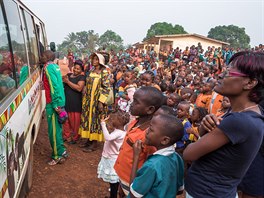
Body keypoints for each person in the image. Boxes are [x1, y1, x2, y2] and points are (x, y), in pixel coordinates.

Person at [183, 51, 264, 198]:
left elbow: (189, 154)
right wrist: (204, 128)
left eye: (228, 72)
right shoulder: (244, 113)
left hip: (204, 193)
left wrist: (201, 136)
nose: (220, 75)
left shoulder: (240, 121)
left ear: (250, 83)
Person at [114, 87, 165, 196]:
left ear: (150, 109)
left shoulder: (149, 136)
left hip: (132, 179)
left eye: (136, 102)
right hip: (122, 172)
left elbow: (149, 163)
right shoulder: (135, 121)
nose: (131, 104)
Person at [128, 114, 184, 198]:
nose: (146, 131)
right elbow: (179, 191)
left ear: (165, 140)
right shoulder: (178, 158)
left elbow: (133, 194)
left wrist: (136, 156)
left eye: (150, 129)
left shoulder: (152, 166)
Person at [79, 53, 111, 152]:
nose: (94, 61)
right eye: (93, 59)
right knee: (88, 119)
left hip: (97, 101)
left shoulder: (104, 72)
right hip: (89, 101)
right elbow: (88, 82)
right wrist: (85, 88)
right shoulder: (92, 70)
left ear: (100, 61)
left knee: (96, 120)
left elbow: (106, 88)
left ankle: (94, 143)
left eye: (96, 59)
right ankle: (89, 139)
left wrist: (101, 102)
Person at [41, 50, 67, 165]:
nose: (40, 58)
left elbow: (53, 86)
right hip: (60, 100)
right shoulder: (55, 66)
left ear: (46, 57)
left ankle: (57, 156)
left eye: (42, 56)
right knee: (58, 128)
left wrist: (55, 104)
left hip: (53, 103)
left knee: (54, 131)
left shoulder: (47, 68)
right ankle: (62, 150)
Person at [97, 110, 130, 198]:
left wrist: (103, 124)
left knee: (113, 181)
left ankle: (113, 195)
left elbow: (107, 137)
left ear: (119, 122)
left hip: (112, 159)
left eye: (113, 119)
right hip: (112, 157)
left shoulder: (118, 133)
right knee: (113, 181)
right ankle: (113, 193)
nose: (111, 120)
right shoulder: (120, 131)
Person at [62, 60, 85, 144]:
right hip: (66, 101)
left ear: (81, 70)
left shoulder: (82, 78)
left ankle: (75, 138)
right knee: (66, 120)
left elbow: (79, 88)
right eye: (75, 68)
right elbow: (62, 82)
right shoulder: (68, 75)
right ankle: (66, 136)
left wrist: (68, 82)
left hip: (75, 103)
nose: (76, 70)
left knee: (75, 122)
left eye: (78, 69)